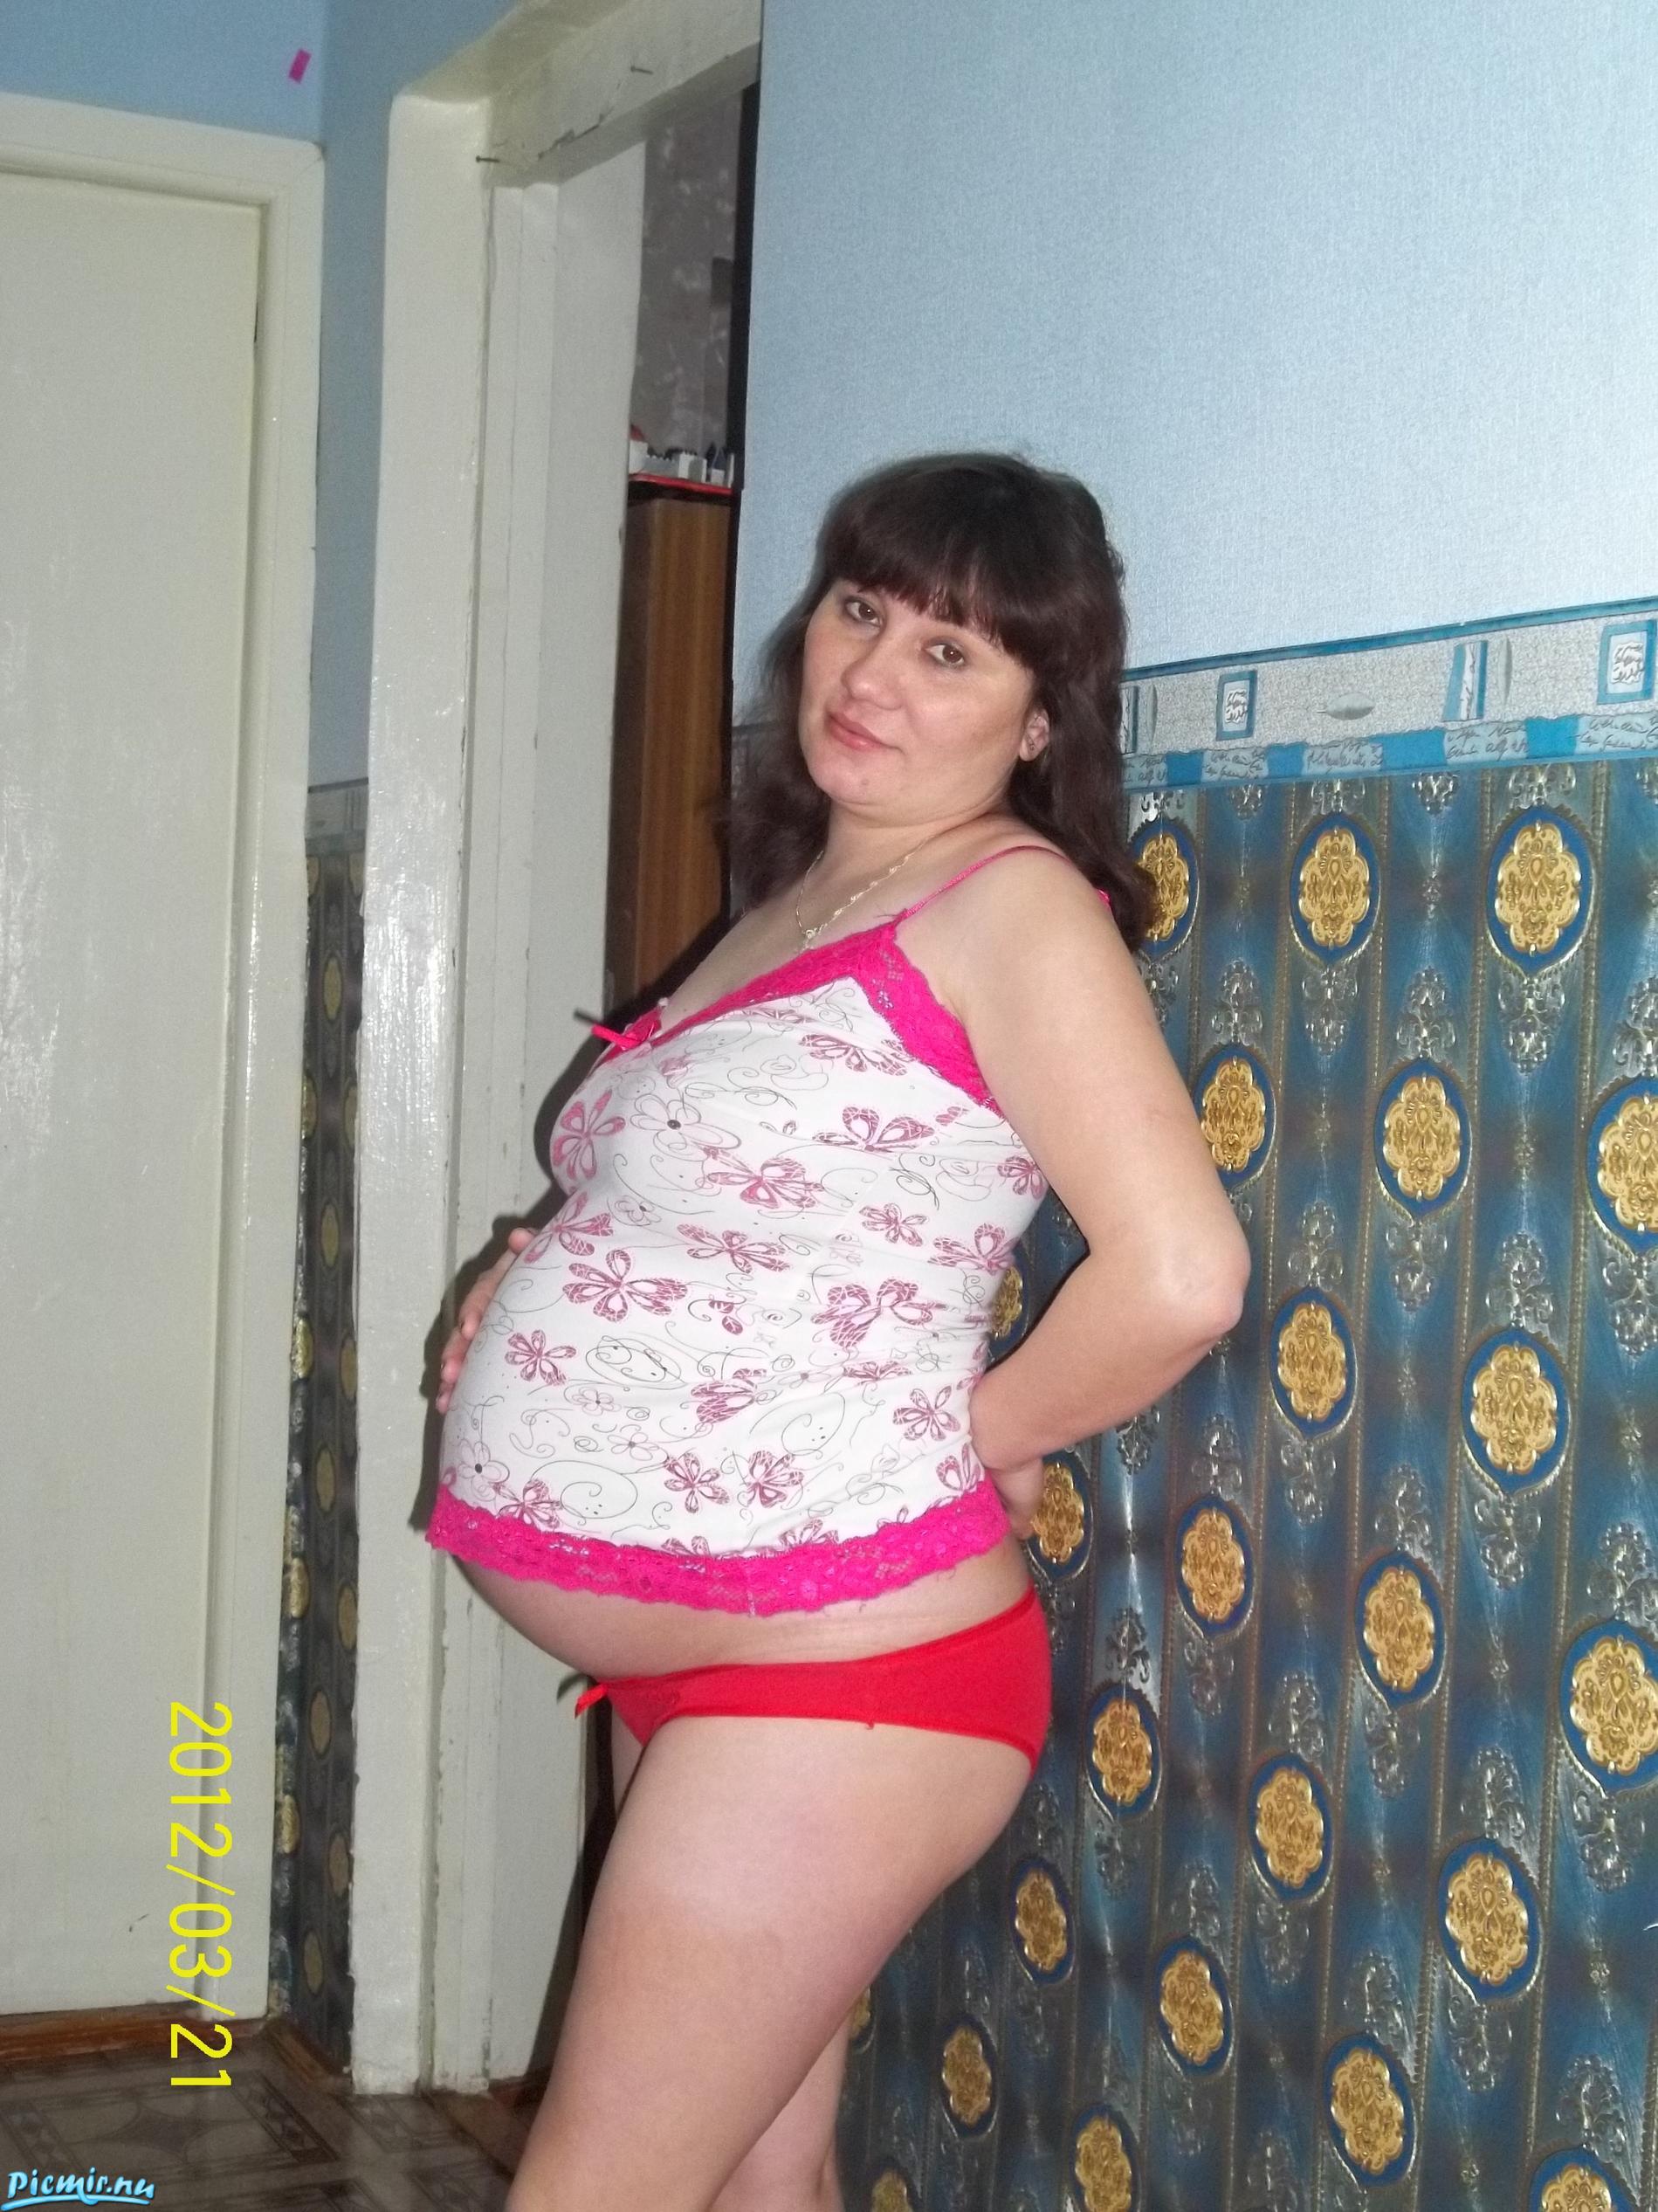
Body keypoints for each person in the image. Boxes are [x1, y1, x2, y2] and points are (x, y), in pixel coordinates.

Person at [426, 451, 1250, 2212]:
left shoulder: (1007, 903)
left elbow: (1180, 1271)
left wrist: (984, 1431)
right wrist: (545, 1251)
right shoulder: (798, 898)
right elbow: (763, 1195)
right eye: (859, 609)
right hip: (729, 1649)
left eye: (950, 651)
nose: (870, 670)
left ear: (1042, 718)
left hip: (840, 1668)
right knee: (761, 2178)